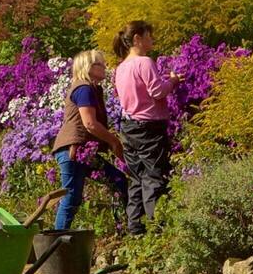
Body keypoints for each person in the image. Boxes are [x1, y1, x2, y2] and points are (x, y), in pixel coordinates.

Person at [111, 20, 180, 235]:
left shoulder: (120, 68)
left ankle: (135, 227)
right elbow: (157, 92)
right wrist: (173, 81)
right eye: (149, 36)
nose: (152, 40)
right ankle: (157, 227)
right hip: (149, 126)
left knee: (136, 177)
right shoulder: (144, 62)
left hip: (129, 127)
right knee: (153, 176)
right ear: (137, 39)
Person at [51, 49, 130, 231]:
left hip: (83, 151)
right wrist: (114, 142)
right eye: (99, 64)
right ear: (87, 67)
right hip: (73, 150)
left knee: (118, 180)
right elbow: (90, 124)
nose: (104, 67)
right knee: (71, 197)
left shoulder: (91, 89)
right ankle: (57, 243)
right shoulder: (84, 89)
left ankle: (126, 226)